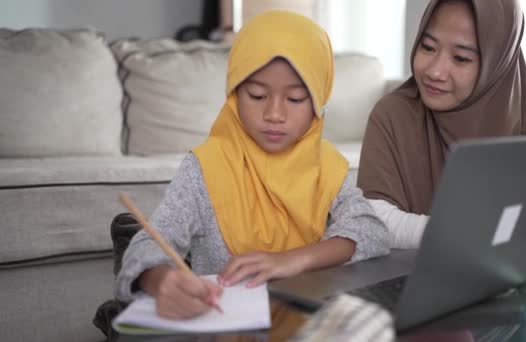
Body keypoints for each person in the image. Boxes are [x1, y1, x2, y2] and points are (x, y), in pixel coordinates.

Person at [115, 10, 390, 319]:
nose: (274, 113)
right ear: (234, 94)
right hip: (225, 329)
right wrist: (161, 280)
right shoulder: (205, 167)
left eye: (296, 99)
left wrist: (291, 260)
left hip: (309, 327)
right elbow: (149, 244)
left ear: (317, 104)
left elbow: (372, 231)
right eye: (257, 95)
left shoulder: (325, 167)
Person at [357, 0, 526, 281]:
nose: (435, 71)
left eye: (461, 58)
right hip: (406, 284)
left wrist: (522, 246)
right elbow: (375, 219)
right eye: (428, 47)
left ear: (496, 64)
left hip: (504, 297)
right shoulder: (393, 113)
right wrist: (515, 244)